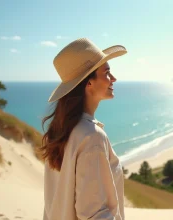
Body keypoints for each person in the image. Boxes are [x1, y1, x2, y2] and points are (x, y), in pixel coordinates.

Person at [39, 38, 127, 220]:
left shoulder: (58, 131)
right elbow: (95, 214)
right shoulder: (92, 137)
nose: (114, 79)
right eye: (107, 73)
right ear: (89, 83)